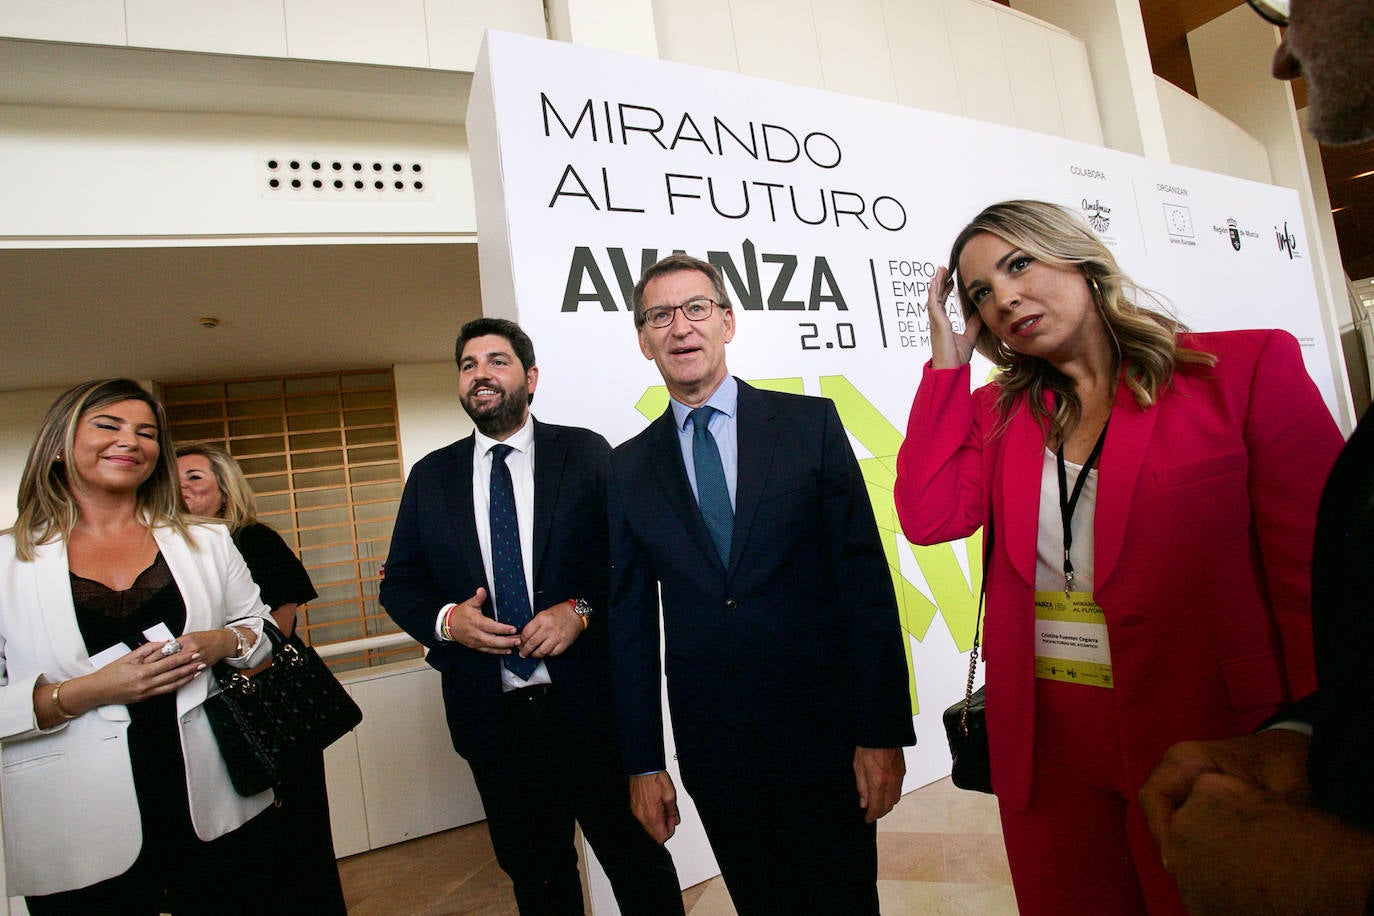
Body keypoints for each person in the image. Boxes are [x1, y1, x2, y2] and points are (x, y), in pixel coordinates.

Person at [892, 199, 1344, 915]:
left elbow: (1320, 580)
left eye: (1019, 264)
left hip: (1207, 724)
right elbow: (928, 515)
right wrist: (947, 363)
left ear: (1080, 260)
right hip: (1047, 736)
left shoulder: (1241, 369)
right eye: (980, 293)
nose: (1003, 297)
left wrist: (1321, 732)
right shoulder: (997, 413)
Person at [1139, 2, 1374, 912]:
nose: (1281, 55)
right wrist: (1302, 737)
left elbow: (1303, 580)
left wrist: (1338, 879)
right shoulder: (1007, 415)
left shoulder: (1242, 367)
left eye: (1297, 5)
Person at [607, 253, 915, 915]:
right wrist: (643, 763)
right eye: (660, 316)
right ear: (643, 340)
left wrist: (882, 731)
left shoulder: (810, 426)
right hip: (717, 755)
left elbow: (865, 586)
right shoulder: (626, 470)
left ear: (727, 322)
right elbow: (629, 628)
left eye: (696, 308)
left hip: (827, 741)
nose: (680, 327)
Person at [379, 318, 682, 916]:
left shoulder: (586, 453)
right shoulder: (432, 477)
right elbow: (401, 583)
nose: (481, 374)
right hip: (497, 725)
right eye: (469, 365)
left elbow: (624, 565)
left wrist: (579, 610)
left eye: (497, 361)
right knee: (539, 882)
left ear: (531, 378)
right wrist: (448, 621)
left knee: (638, 865)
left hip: (592, 713)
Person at [0, 378, 275, 913]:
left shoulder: (207, 541)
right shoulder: (8, 562)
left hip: (213, 798)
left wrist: (221, 641)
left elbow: (263, 634)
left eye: (147, 433)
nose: (130, 441)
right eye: (109, 425)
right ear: (58, 445)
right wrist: (89, 691)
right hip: (73, 817)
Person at [176, 443, 347, 915]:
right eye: (172, 480)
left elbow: (278, 629)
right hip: (204, 713)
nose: (181, 489)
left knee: (296, 837)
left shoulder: (253, 540)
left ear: (224, 489)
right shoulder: (169, 553)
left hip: (268, 709)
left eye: (194, 478)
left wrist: (217, 654)